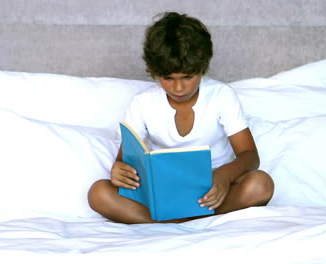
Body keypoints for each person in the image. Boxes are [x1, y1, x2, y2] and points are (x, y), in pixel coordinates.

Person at [87, 12, 274, 224]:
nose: (178, 88)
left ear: (202, 68)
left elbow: (250, 156)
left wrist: (224, 176)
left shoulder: (221, 96)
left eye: (187, 77)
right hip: (164, 191)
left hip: (214, 190)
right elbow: (125, 160)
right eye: (168, 78)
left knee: (261, 184)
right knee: (98, 192)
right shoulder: (143, 103)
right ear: (154, 72)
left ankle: (170, 220)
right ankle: (187, 217)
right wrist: (119, 169)